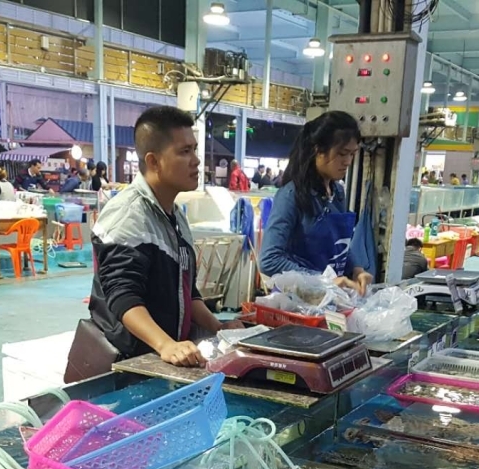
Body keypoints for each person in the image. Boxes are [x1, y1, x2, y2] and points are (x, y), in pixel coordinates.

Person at [84, 106, 242, 369]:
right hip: (128, 363)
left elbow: (187, 292)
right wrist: (165, 345)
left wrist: (218, 327)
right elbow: (124, 297)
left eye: (194, 149)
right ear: (153, 161)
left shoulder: (175, 215)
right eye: (184, 152)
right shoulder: (127, 216)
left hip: (164, 359)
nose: (196, 160)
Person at [259, 111, 371, 295]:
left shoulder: (338, 192)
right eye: (342, 154)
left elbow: (339, 245)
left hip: (331, 299)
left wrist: (356, 269)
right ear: (318, 150)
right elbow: (269, 259)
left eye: (352, 154)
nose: (348, 161)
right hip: (298, 302)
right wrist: (322, 281)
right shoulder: (291, 195)